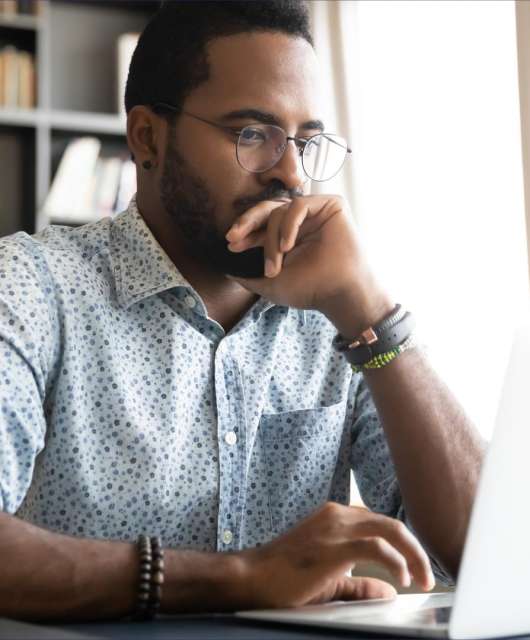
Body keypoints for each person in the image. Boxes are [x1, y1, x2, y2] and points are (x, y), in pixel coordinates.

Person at [0, 0, 484, 622]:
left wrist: (372, 310)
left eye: (307, 142)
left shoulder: (341, 314)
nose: (290, 174)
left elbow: (481, 555)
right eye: (252, 134)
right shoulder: (33, 288)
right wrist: (241, 578)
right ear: (147, 137)